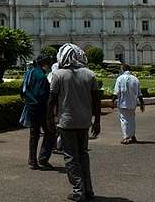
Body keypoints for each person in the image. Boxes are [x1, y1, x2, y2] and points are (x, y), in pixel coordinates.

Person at [48, 43, 101, 202]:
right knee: (83, 155)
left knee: (71, 157)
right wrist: (97, 121)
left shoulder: (58, 75)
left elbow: (51, 100)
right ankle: (88, 189)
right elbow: (96, 101)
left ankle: (79, 191)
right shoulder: (90, 74)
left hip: (67, 122)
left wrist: (49, 119)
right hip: (85, 122)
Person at [20, 53, 56, 170]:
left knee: (34, 134)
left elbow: (23, 90)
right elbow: (41, 95)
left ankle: (32, 160)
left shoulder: (30, 72)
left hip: (31, 107)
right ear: (45, 64)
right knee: (50, 132)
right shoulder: (41, 76)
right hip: (40, 108)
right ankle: (43, 158)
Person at [112, 64, 144, 144]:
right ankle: (133, 136)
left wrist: (112, 102)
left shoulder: (120, 78)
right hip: (133, 103)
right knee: (132, 119)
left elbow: (116, 92)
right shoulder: (135, 79)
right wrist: (142, 104)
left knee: (124, 119)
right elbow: (140, 94)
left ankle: (125, 137)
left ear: (123, 69)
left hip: (123, 103)